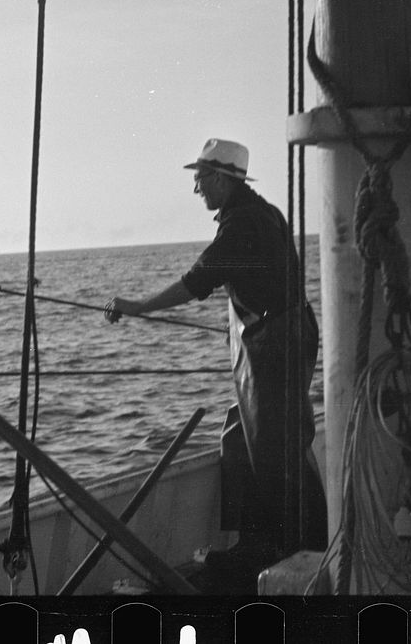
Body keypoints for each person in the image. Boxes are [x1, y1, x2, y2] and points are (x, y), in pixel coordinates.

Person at [104, 138, 328, 576]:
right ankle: (256, 540)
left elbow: (195, 282)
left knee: (277, 449)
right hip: (285, 332)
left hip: (274, 342)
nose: (197, 189)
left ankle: (299, 547)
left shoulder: (242, 224)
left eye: (201, 179)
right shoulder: (263, 212)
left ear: (223, 180)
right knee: (239, 436)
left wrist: (137, 307)